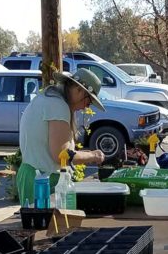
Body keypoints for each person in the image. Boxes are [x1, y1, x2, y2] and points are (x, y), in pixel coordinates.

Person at [15, 68, 108, 204]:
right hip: (44, 180)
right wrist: (93, 156)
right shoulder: (58, 106)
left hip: (34, 175)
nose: (85, 108)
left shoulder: (47, 99)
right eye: (88, 102)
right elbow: (61, 154)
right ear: (79, 90)